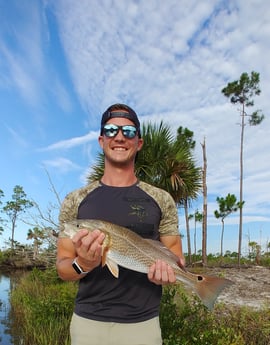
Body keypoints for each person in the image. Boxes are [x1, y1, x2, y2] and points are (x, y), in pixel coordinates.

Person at [56, 103, 185, 345]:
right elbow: (63, 268)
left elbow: (176, 258)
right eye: (111, 130)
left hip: (143, 326)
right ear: (101, 140)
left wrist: (166, 274)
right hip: (87, 324)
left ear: (139, 142)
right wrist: (83, 263)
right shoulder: (75, 200)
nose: (119, 137)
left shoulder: (160, 199)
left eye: (128, 132)